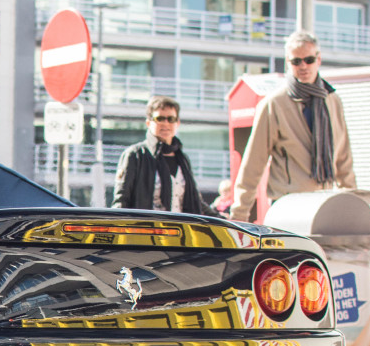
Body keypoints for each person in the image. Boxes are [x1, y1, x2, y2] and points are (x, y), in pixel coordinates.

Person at [231, 30, 356, 223]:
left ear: (319, 59)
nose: (303, 66)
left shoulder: (332, 100)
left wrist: (351, 205)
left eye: (308, 60)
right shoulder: (275, 104)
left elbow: (343, 158)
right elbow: (253, 163)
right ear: (288, 63)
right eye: (296, 61)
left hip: (324, 203)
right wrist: (239, 216)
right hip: (287, 204)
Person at [112, 95, 214, 214]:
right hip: (146, 229)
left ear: (178, 123)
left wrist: (226, 222)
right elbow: (121, 202)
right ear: (148, 122)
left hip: (181, 230)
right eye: (160, 118)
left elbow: (197, 202)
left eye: (171, 119)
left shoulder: (182, 159)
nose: (166, 124)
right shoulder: (135, 155)